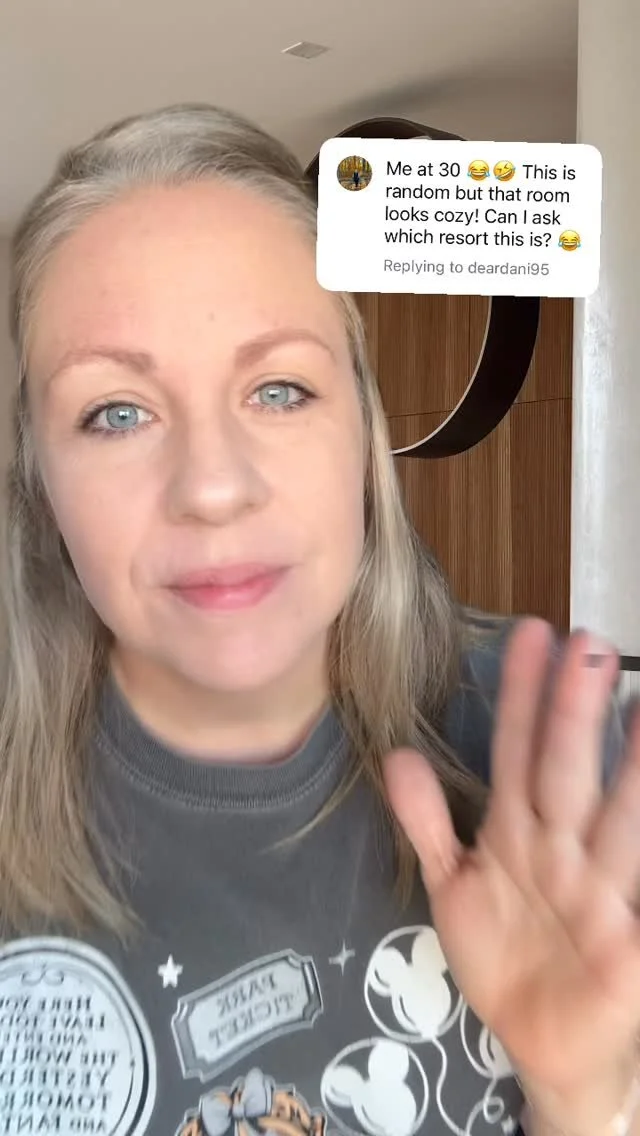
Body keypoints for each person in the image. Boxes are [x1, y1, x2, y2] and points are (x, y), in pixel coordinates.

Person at [0, 103, 638, 1136]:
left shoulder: (570, 769)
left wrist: (590, 1099)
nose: (213, 487)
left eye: (280, 390)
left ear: (361, 433)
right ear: (40, 484)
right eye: (116, 412)